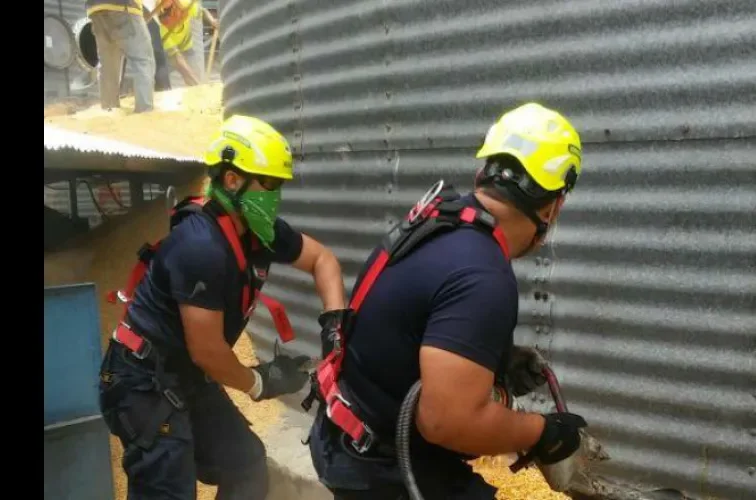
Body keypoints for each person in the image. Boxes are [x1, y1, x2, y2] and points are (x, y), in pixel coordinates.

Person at [306, 102, 590, 499]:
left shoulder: (438, 220)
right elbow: (446, 423)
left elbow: (408, 326)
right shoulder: (484, 276)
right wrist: (543, 431)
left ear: (483, 172)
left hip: (344, 435)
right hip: (379, 469)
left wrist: (495, 361)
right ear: (553, 206)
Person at [98, 114, 347, 500]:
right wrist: (260, 382)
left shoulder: (258, 230)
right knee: (170, 491)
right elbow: (207, 350)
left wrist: (334, 326)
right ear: (232, 180)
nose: (276, 194)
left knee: (246, 463)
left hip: (186, 375)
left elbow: (323, 260)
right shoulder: (201, 247)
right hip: (142, 379)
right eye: (270, 184)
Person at [85, 0, 156, 112]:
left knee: (108, 65)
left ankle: (109, 109)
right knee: (142, 61)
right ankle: (144, 110)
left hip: (95, 9)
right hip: (124, 7)